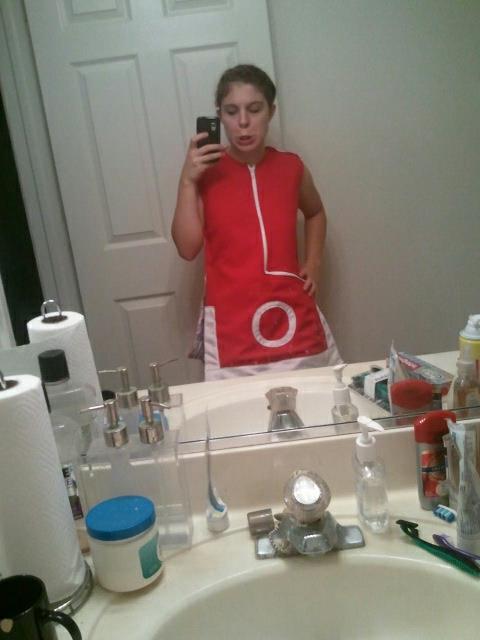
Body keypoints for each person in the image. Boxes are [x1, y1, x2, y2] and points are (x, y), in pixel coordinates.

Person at [172, 64, 341, 380]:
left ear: (271, 112)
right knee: (237, 409)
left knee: (313, 399)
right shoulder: (205, 174)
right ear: (219, 116)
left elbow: (316, 212)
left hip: (291, 313)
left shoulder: (291, 168)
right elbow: (187, 247)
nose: (243, 122)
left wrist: (313, 262)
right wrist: (187, 181)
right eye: (231, 111)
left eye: (254, 109)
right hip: (231, 323)